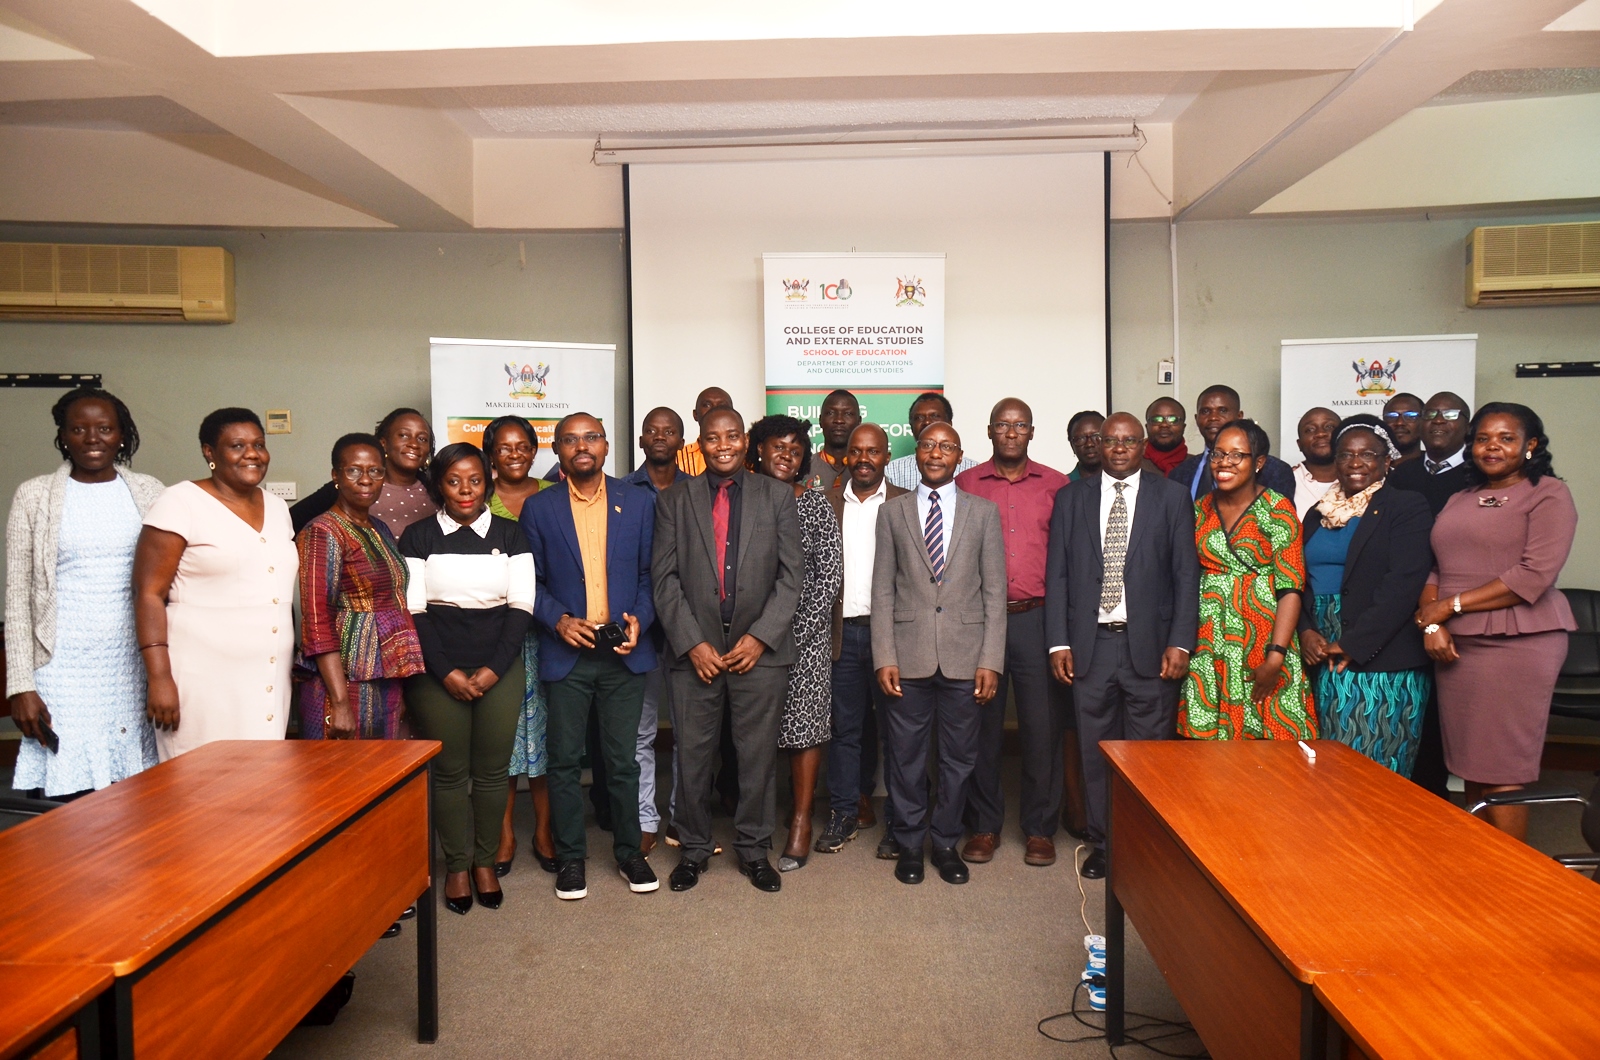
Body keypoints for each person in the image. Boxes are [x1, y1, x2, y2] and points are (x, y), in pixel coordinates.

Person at [653, 407, 802, 893]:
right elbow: (664, 578)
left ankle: (755, 850)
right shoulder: (675, 499)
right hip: (694, 652)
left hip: (758, 653)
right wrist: (691, 642)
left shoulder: (777, 495)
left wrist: (761, 637)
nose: (723, 445)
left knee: (756, 757)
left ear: (746, 442)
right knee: (692, 758)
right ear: (698, 441)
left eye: (732, 436)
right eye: (713, 437)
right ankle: (693, 849)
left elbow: (791, 576)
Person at [1045, 413, 1198, 880]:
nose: (1118, 449)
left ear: (1143, 445)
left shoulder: (1170, 496)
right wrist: (1058, 643)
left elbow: (1185, 574)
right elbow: (1059, 575)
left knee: (1150, 756)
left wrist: (1181, 642)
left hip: (1149, 646)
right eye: (1109, 441)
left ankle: (1147, 844)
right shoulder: (1071, 498)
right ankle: (1105, 844)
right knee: (1097, 752)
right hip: (1090, 647)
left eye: (1129, 441)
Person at [1416, 403, 1577, 841]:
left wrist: (1448, 609)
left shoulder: (1547, 493)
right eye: (1484, 438)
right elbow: (1436, 568)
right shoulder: (1459, 498)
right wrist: (1432, 624)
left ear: (1531, 445)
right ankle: (1484, 863)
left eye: (1506, 438)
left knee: (1501, 765)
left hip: (1519, 641)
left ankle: (1515, 878)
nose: (1493, 447)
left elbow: (1533, 575)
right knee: (1470, 762)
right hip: (1456, 645)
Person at [522, 413, 660, 900]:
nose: (582, 446)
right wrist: (558, 619)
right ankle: (571, 859)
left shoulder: (639, 501)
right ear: (557, 450)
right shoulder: (540, 509)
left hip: (624, 650)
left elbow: (650, 575)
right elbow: (529, 584)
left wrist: (641, 617)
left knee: (622, 762)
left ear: (605, 446)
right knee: (563, 762)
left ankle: (628, 853)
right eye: (571, 439)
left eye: (592, 437)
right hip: (568, 653)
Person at [8, 387, 164, 797]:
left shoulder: (151, 492)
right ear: (62, 436)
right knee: (69, 800)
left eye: (105, 428)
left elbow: (172, 580)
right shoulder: (34, 495)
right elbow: (18, 596)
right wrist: (20, 685)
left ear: (122, 435)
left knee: (134, 796)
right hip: (62, 667)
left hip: (131, 664)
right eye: (78, 428)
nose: (92, 438)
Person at [400, 442, 534, 914]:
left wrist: (494, 670)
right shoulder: (418, 537)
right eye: (454, 480)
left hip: (500, 666)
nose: (465, 490)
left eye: (474, 480)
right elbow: (414, 612)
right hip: (438, 671)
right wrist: (448, 673)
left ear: (487, 482)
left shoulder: (512, 535)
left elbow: (521, 608)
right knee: (451, 772)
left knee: (494, 771)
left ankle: (483, 861)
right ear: (439, 484)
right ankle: (457, 865)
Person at [872, 422, 1007, 886]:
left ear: (959, 456)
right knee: (905, 757)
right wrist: (884, 655)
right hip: (906, 657)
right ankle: (909, 843)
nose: (935, 454)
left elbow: (994, 593)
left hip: (966, 657)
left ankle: (946, 841)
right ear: (917, 453)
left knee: (958, 758)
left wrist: (990, 660)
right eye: (928, 445)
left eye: (945, 447)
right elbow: (883, 592)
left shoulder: (983, 513)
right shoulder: (893, 513)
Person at [134, 409, 297, 762]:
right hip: (201, 677)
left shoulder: (277, 506)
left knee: (263, 783)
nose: (252, 453)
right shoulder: (179, 502)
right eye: (236, 445)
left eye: (259, 444)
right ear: (209, 452)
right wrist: (159, 677)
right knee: (200, 785)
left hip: (266, 675)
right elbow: (148, 594)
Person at [956, 398, 1078, 868]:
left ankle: (1040, 829)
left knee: (1041, 727)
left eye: (1019, 425)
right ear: (989, 431)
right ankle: (984, 825)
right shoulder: (966, 483)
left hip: (1037, 618)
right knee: (980, 727)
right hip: (980, 620)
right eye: (1002, 425)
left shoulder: (1057, 485)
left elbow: (1069, 560)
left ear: (1031, 432)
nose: (1011, 432)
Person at [1297, 417, 1433, 775]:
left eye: (1367, 454)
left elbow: (1404, 582)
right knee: (1327, 763)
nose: (1355, 463)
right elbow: (1297, 578)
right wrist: (1306, 630)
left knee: (1375, 767)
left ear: (1386, 461)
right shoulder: (1318, 513)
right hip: (1322, 652)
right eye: (1346, 455)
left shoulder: (1406, 506)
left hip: (1380, 656)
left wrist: (1355, 643)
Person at [1177, 419, 1316, 741]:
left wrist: (1276, 655)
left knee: (1273, 754)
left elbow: (1291, 587)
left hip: (1264, 642)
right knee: (1209, 755)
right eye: (1217, 454)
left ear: (1259, 463)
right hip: (1209, 644)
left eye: (1236, 455)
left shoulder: (1277, 510)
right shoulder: (1199, 510)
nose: (1224, 463)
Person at [746, 415, 843, 870]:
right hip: (750, 640)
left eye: (796, 448)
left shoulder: (814, 502)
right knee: (757, 732)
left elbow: (828, 575)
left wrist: (792, 631)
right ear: (758, 451)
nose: (787, 454)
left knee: (804, 730)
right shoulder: (741, 499)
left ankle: (801, 821)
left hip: (804, 638)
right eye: (777, 446)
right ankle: (758, 822)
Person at [296, 433, 425, 742]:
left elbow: (393, 604)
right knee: (337, 780)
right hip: (341, 681)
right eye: (354, 470)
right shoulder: (323, 531)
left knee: (383, 775)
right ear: (336, 476)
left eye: (375, 471)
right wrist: (340, 703)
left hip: (386, 676)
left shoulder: (378, 528)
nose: (366, 479)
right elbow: (316, 620)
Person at [817, 423, 907, 857]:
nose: (865, 458)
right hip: (842, 635)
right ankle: (843, 814)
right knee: (844, 730)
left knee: (898, 733)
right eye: (857, 451)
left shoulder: (907, 503)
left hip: (895, 637)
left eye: (874, 451)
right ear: (845, 457)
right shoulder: (825, 503)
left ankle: (899, 823)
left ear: (887, 457)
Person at [480, 415, 555, 876]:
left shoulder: (553, 496)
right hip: (495, 638)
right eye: (504, 446)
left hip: (548, 634)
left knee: (548, 740)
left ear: (534, 450)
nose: (514, 453)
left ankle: (544, 830)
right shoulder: (474, 497)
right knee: (502, 742)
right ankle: (504, 833)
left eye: (522, 445)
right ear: (491, 453)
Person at [625, 407, 691, 855]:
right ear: (642, 439)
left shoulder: (700, 491)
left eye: (670, 431)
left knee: (690, 733)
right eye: (653, 430)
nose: (661, 437)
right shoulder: (623, 492)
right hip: (642, 628)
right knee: (641, 733)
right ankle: (646, 818)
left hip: (690, 627)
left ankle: (684, 818)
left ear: (683, 442)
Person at [290, 408, 437, 535]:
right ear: (383, 444)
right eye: (404, 435)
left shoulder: (437, 489)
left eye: (422, 439)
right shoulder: (353, 485)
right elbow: (291, 521)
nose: (414, 444)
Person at [1167, 385, 1295, 502]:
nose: (1213, 417)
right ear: (1196, 419)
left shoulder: (1276, 470)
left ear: (1239, 416)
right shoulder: (1179, 473)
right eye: (1205, 411)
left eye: (1222, 410)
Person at [1388, 392, 1473, 516]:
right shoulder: (1402, 473)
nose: (1438, 420)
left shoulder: (1478, 473)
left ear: (1467, 427)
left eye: (1450, 414)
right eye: (1430, 414)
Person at [884, 392, 977, 489]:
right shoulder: (892, 471)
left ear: (949, 424)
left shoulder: (973, 471)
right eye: (919, 418)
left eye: (935, 416)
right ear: (911, 427)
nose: (927, 422)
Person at [804, 389, 861, 491]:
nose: (839, 420)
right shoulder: (803, 468)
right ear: (820, 420)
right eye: (830, 413)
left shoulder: (867, 470)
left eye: (848, 414)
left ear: (859, 422)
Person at [1290, 407, 1340, 519]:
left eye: (1329, 427)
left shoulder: (1362, 481)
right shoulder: (1284, 481)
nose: (1321, 433)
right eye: (1310, 429)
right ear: (1299, 444)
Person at [675, 387, 733, 477]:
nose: (714, 410)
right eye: (707, 405)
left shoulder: (745, 455)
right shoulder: (678, 457)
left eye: (722, 405)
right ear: (695, 414)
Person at [1143, 398, 1189, 476]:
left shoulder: (1198, 466)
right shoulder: (1133, 465)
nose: (1164, 425)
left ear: (1183, 427)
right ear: (1147, 427)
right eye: (1156, 419)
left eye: (1173, 419)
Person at [1382, 393, 1425, 467]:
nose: (1399, 423)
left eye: (1410, 416)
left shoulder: (1434, 466)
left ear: (1424, 421)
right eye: (1392, 416)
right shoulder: (1375, 468)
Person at [1065, 411, 1104, 482]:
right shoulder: (1063, 485)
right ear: (1071, 445)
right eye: (1080, 439)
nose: (1089, 444)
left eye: (1096, 436)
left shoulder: (1124, 482)